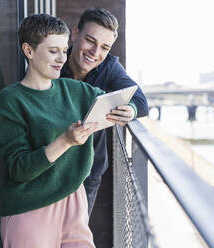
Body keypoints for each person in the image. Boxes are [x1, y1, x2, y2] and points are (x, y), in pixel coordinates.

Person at [0, 14, 105, 248]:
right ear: (29, 51)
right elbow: (18, 168)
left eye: (64, 50)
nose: (62, 58)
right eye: (53, 51)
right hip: (30, 207)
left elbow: (120, 101)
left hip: (73, 199)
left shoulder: (75, 90)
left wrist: (131, 110)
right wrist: (65, 140)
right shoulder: (11, 99)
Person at [61, 7, 149, 215]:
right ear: (75, 34)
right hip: (50, 166)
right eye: (90, 41)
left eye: (104, 47)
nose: (95, 52)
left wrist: (131, 110)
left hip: (88, 173)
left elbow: (141, 101)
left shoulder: (109, 67)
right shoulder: (55, 59)